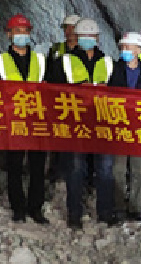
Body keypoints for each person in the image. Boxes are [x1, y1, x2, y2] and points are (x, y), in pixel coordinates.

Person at [49, 18, 116, 229]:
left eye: (91, 37)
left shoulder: (107, 62)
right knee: (75, 169)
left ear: (97, 39)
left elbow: (120, 92)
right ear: (76, 39)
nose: (88, 41)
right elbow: (52, 91)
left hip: (101, 122)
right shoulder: (64, 61)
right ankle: (74, 215)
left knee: (105, 170)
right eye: (83, 37)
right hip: (75, 123)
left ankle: (105, 213)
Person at [0, 14, 49, 224]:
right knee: (15, 166)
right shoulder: (0, 61)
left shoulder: (41, 61)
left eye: (25, 31)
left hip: (37, 121)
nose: (21, 35)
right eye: (17, 31)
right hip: (13, 120)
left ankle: (35, 208)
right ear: (9, 35)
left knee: (37, 166)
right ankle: (18, 208)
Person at [109, 31, 141, 222]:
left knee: (139, 170)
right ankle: (117, 206)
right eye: (123, 47)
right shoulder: (114, 69)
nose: (125, 50)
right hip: (119, 124)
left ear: (138, 50)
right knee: (118, 169)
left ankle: (135, 208)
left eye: (129, 47)